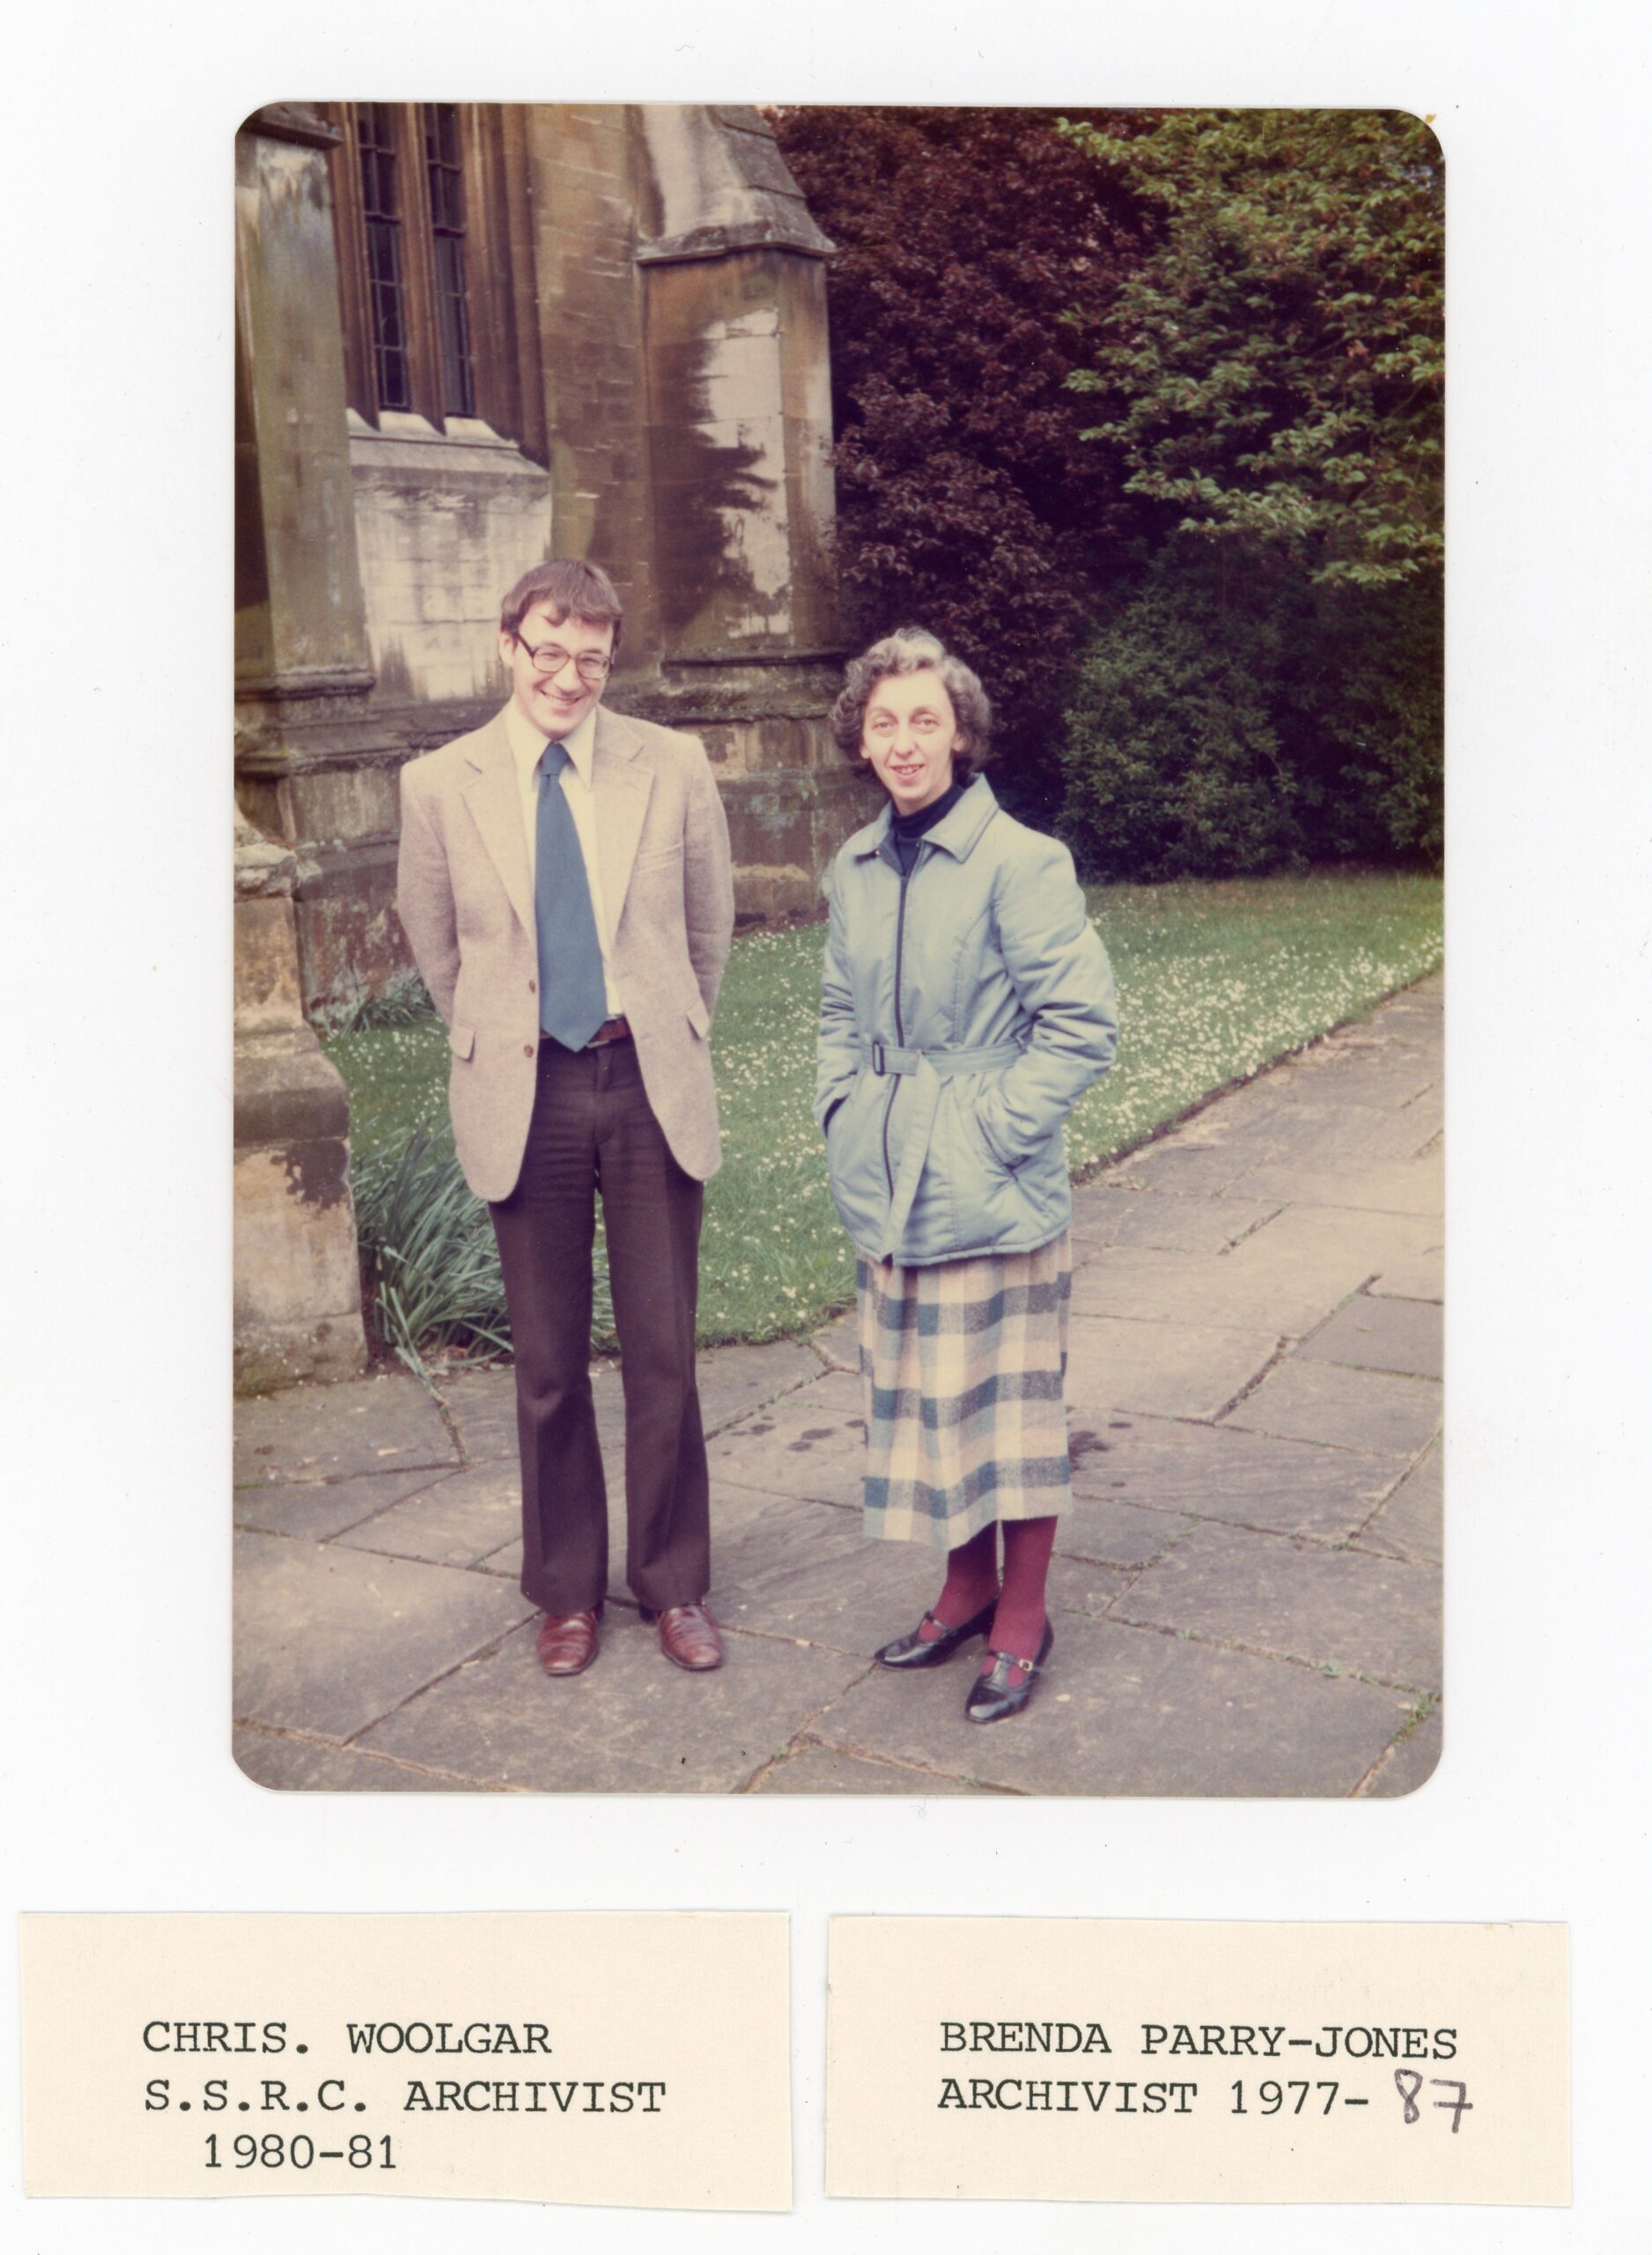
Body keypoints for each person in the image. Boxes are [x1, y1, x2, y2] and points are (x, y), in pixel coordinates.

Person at [396, 559, 734, 1680]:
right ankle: (566, 1593)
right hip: (525, 1089)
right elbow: (440, 948)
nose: (569, 674)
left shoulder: (671, 765)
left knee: (662, 1353)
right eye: (549, 648)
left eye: (591, 656)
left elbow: (707, 927)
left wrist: (660, 1027)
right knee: (545, 1362)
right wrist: (511, 1036)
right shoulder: (440, 784)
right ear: (510, 644)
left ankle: (673, 1584)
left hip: (644, 1081)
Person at [816, 629, 1117, 1723]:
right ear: (862, 734)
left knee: (1010, 1413)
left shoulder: (1020, 860)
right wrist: (842, 1107)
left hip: (992, 1187)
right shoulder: (853, 866)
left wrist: (991, 1130)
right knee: (932, 1406)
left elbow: (1081, 1024)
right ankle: (960, 1589)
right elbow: (839, 1011)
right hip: (888, 1176)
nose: (903, 742)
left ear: (961, 732)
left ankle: (1022, 1617)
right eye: (884, 722)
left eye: (924, 721)